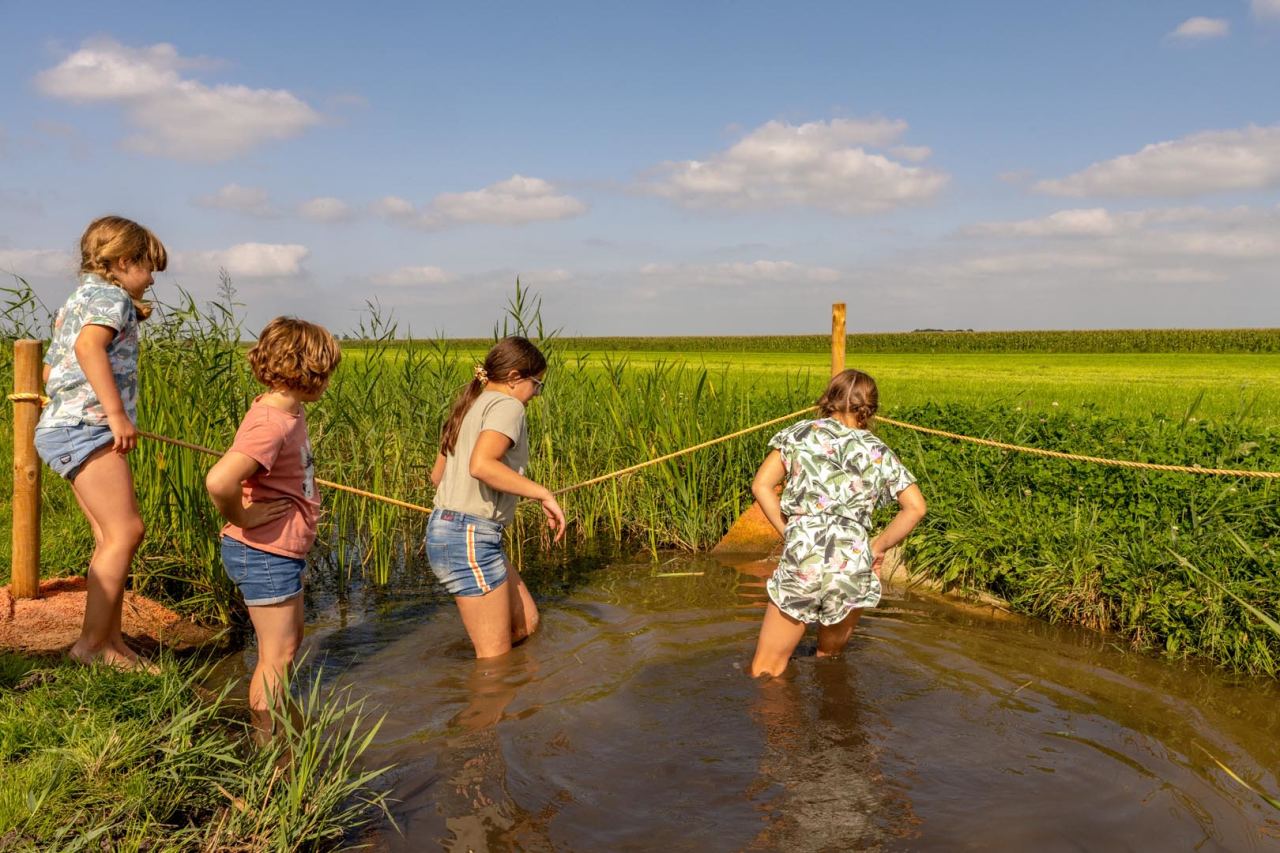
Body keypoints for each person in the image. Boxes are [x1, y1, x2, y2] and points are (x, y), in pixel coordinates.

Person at [33, 215, 167, 670]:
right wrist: (114, 414)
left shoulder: (77, 300)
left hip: (63, 426)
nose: (151, 279)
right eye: (149, 266)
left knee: (110, 535)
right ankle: (92, 646)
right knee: (126, 531)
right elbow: (90, 349)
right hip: (86, 427)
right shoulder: (111, 297)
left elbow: (49, 370)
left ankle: (110, 644)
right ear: (124, 260)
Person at [205, 317, 341, 735]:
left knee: (287, 645)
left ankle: (282, 732)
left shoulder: (286, 411)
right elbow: (219, 480)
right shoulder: (271, 423)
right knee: (276, 657)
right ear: (309, 370)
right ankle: (271, 749)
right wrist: (241, 517)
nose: (328, 382)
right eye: (327, 372)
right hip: (264, 552)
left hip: (279, 551)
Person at [749, 369, 926, 677]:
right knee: (829, 661)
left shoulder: (800, 434)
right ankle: (832, 722)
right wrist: (878, 547)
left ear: (829, 398)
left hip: (804, 553)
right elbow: (915, 508)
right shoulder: (878, 451)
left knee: (767, 669)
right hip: (851, 557)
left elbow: (761, 486)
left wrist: (790, 531)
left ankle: (777, 725)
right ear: (870, 407)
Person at [427, 335, 565, 658]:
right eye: (536, 384)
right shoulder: (509, 406)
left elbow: (437, 478)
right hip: (469, 536)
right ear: (515, 378)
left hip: (457, 531)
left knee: (526, 624)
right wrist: (543, 493)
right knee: (495, 667)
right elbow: (481, 465)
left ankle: (509, 706)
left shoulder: (468, 405)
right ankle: (486, 707)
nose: (536, 394)